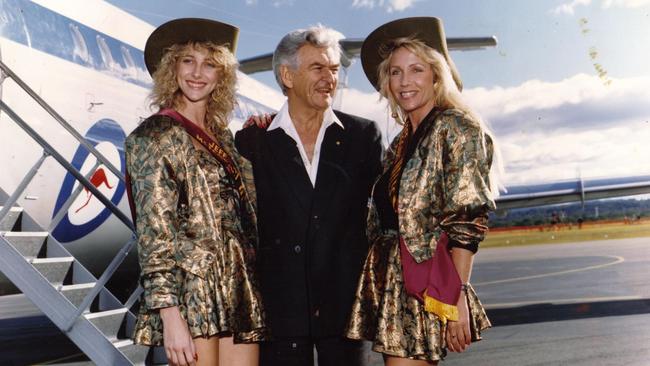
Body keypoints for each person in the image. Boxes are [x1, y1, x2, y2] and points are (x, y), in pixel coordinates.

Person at [345, 17, 499, 365]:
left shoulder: (456, 127)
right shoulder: (401, 142)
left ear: (436, 75)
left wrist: (456, 295)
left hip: (427, 283)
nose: (405, 81)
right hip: (396, 282)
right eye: (396, 72)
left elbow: (467, 219)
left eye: (416, 69)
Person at [235, 25, 383, 366]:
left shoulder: (363, 136)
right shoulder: (253, 142)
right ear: (287, 75)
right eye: (318, 68)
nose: (329, 78)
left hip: (344, 313)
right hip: (280, 314)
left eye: (333, 69)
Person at [125, 18, 267, 366]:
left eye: (210, 64)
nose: (197, 72)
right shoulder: (154, 136)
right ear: (171, 67)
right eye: (188, 60)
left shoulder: (224, 138)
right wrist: (170, 316)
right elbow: (154, 233)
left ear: (222, 76)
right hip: (193, 289)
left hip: (237, 283)